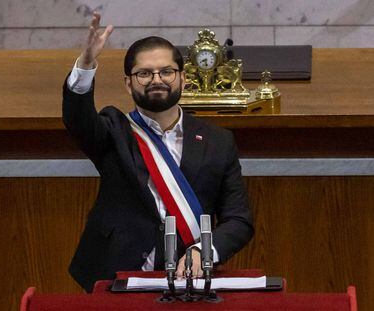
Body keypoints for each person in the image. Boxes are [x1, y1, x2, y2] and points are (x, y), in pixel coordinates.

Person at [63, 12, 254, 293]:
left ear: (183, 78)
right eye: (144, 73)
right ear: (128, 83)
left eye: (166, 71)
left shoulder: (218, 141)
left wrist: (204, 250)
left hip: (190, 279)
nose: (157, 79)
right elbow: (78, 119)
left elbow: (238, 220)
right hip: (115, 277)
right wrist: (86, 64)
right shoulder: (112, 130)